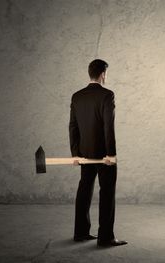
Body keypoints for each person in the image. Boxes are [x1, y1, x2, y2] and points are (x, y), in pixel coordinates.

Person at [69, 59, 127, 247]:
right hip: (103, 156)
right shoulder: (107, 95)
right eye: (106, 73)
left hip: (84, 154)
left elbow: (73, 127)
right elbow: (108, 127)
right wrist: (111, 154)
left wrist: (75, 154)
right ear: (103, 74)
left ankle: (80, 233)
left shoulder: (77, 96)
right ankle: (106, 237)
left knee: (84, 190)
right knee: (107, 192)